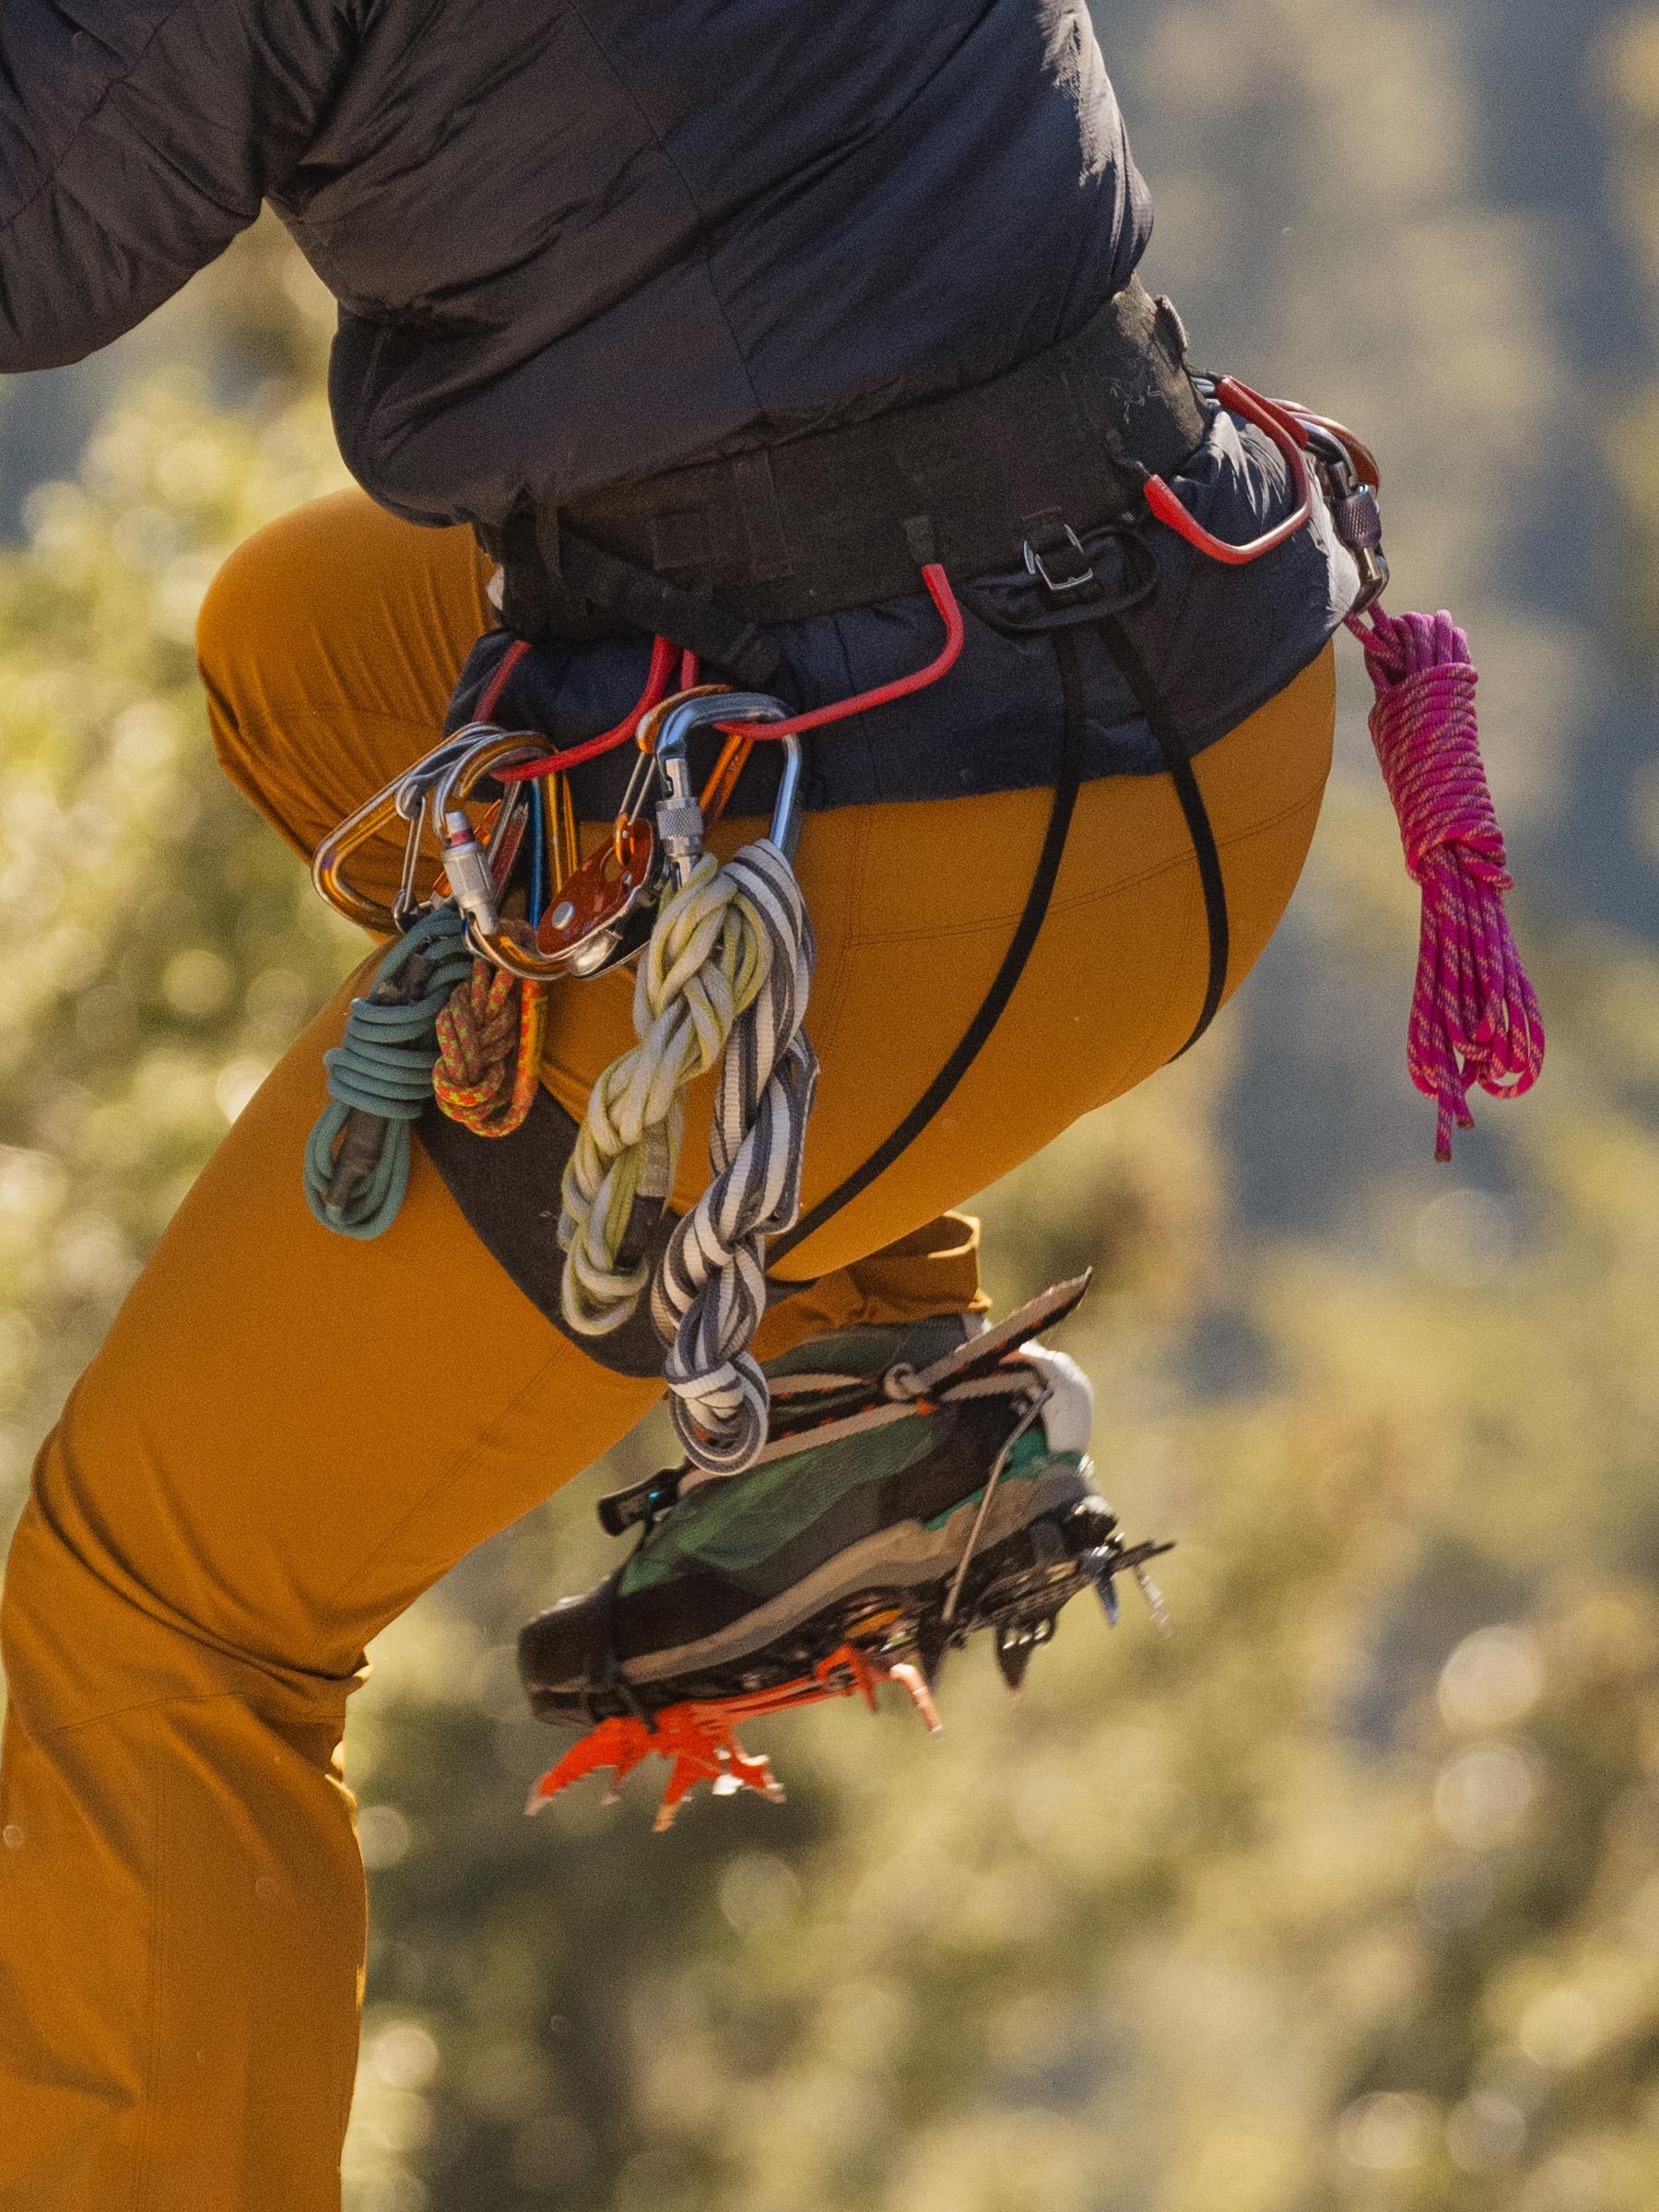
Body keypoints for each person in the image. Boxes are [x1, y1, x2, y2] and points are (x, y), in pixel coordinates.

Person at [0, 2, 1354, 2203]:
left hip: (915, 855)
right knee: (310, 647)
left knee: (162, 1619)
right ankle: (863, 1359)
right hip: (1190, 669)